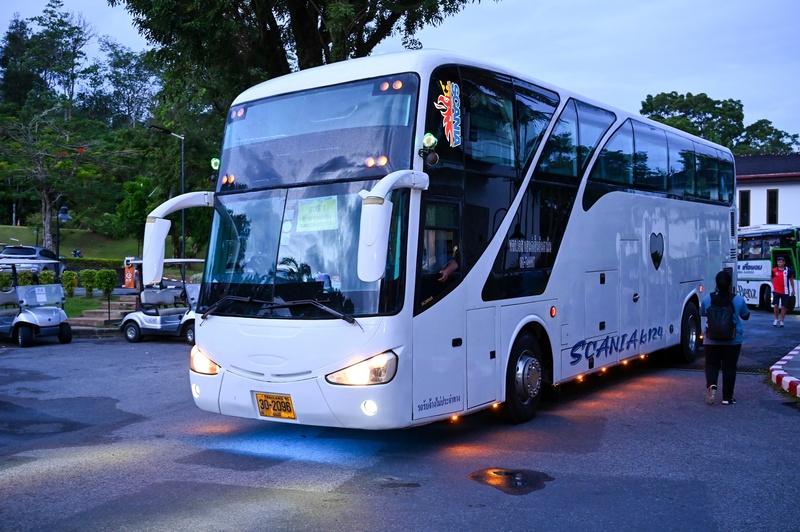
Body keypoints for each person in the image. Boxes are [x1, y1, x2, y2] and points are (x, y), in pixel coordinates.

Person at [700, 270, 750, 406]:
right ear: (730, 284)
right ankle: (727, 398)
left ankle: (712, 385)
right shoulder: (737, 299)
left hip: (711, 339)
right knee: (729, 367)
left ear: (716, 283)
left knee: (711, 364)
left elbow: (702, 312)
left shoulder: (708, 298)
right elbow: (746, 315)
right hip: (733, 340)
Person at [771, 256, 795, 327]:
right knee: (775, 305)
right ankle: (776, 319)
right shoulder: (774, 270)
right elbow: (771, 278)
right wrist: (774, 285)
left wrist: (793, 289)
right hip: (776, 290)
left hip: (785, 291)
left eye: (780, 262)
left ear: (784, 263)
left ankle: (782, 321)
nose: (779, 263)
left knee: (784, 306)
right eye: (778, 262)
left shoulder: (788, 270)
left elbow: (791, 280)